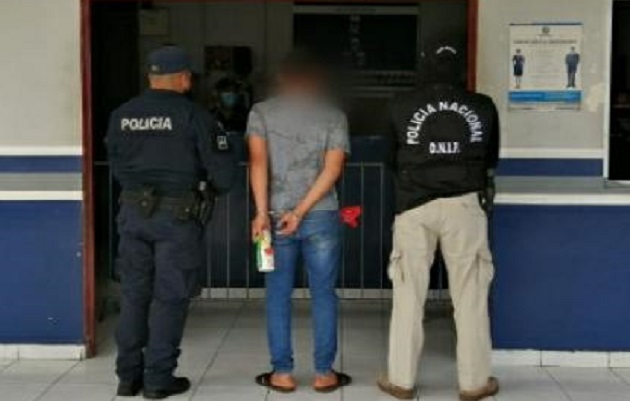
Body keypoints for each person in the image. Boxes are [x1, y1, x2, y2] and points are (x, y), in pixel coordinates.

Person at [107, 46, 236, 399]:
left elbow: (116, 167)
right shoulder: (194, 116)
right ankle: (158, 379)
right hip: (177, 218)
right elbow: (224, 177)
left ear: (151, 77)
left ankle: (127, 377)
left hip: (132, 213)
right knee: (170, 297)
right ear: (184, 78)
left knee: (134, 295)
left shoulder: (121, 115)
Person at [378, 44, 500, 401]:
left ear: (424, 68)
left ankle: (401, 380)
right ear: (461, 69)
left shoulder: (399, 105)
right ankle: (475, 383)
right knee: (471, 297)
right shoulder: (483, 106)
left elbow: (389, 156)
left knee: (408, 296)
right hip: (465, 206)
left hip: (414, 208)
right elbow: (491, 158)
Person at [247, 50, 352, 393]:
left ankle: (282, 373)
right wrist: (303, 211)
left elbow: (258, 163)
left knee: (278, 294)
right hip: (320, 215)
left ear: (283, 78)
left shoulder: (261, 112)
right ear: (316, 79)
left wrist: (263, 213)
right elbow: (332, 170)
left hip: (275, 216)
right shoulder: (333, 116)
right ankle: (324, 373)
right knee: (324, 294)